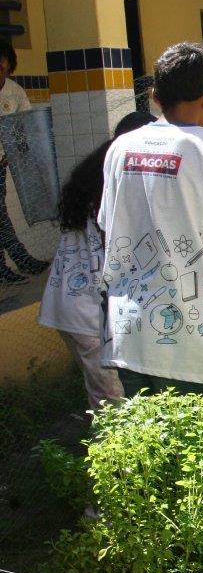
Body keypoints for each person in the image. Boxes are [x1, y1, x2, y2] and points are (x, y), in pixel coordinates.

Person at [98, 42, 203, 399]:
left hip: (128, 329)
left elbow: (107, 230)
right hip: (189, 337)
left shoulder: (120, 148)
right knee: (195, 430)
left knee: (145, 428)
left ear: (155, 97)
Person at [38, 112, 156, 412]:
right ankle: (109, 444)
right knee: (113, 403)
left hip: (69, 304)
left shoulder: (94, 175)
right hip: (90, 314)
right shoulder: (119, 182)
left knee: (107, 396)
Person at [0, 41, 49, 283]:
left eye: (1, 68)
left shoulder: (15, 92)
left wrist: (14, 154)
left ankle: (13, 263)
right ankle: (19, 261)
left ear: (9, 67)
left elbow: (25, 128)